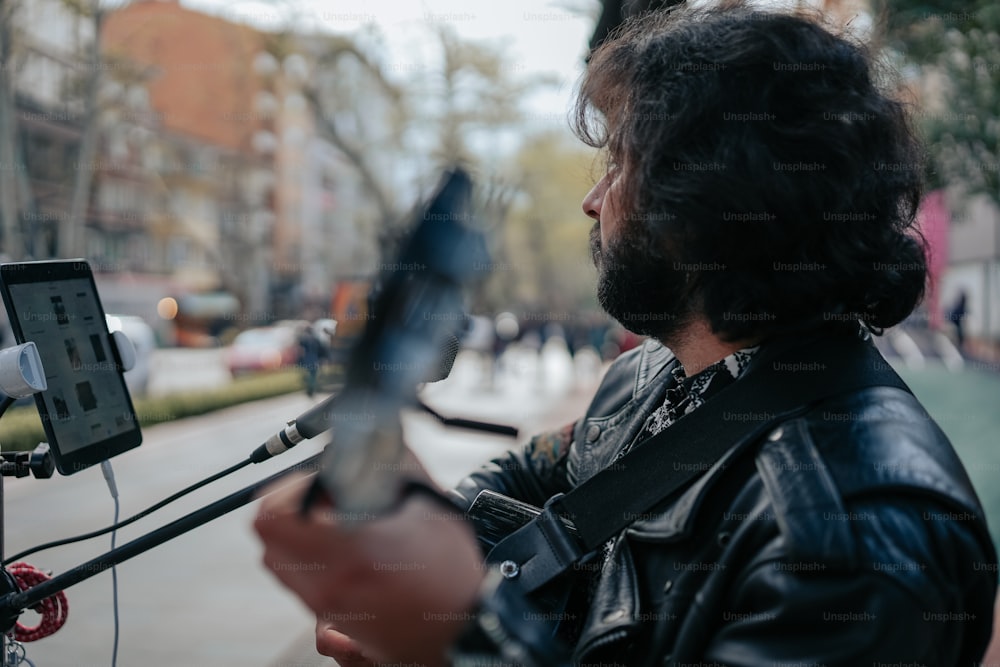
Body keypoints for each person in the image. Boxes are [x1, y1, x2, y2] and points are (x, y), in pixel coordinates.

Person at [254, 4, 998, 666]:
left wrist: (456, 635)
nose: (590, 200)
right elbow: (526, 477)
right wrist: (415, 544)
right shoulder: (652, 377)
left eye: (618, 164)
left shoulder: (856, 542)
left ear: (710, 196)